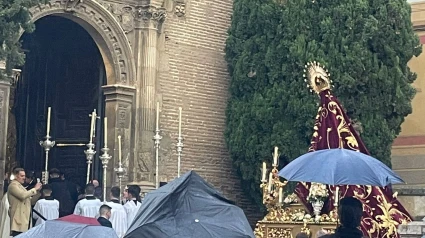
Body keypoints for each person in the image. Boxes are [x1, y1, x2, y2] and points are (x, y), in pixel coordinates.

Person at [8, 168, 42, 236]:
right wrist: (34, 189)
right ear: (15, 176)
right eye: (22, 176)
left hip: (25, 220)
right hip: (18, 219)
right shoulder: (13, 185)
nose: (24, 178)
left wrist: (38, 192)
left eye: (24, 176)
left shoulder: (22, 187)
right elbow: (22, 195)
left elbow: (30, 201)